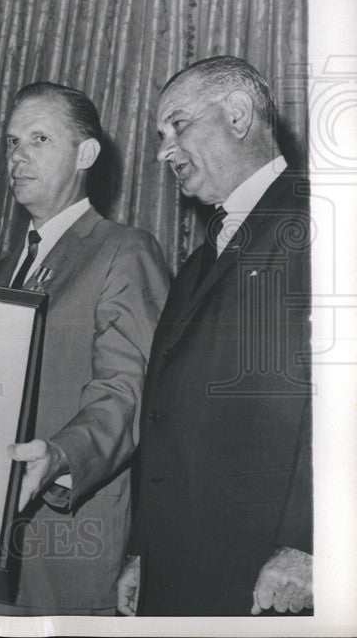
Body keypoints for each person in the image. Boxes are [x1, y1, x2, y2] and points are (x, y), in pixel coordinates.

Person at [0, 82, 170, 616]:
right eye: (13, 142)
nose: (18, 156)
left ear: (85, 154)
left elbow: (128, 394)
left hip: (65, 540)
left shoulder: (122, 250)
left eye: (39, 138)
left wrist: (60, 456)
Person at [118, 56, 312, 616]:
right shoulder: (203, 258)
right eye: (159, 136)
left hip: (268, 578)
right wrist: (143, 551)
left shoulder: (321, 221)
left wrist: (310, 544)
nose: (162, 152)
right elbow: (166, 415)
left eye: (177, 126)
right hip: (181, 571)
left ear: (238, 114)